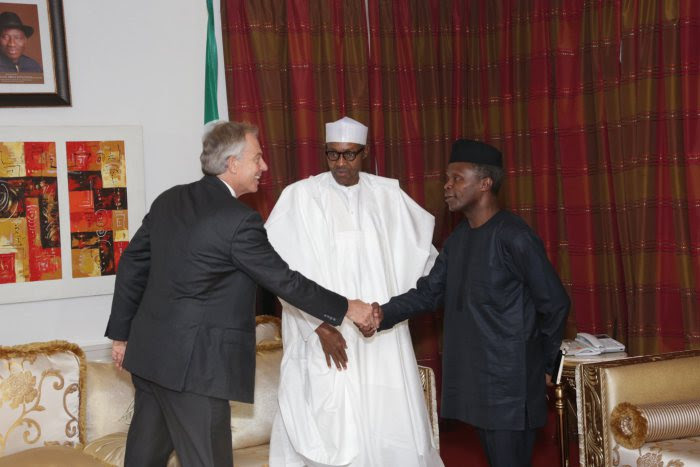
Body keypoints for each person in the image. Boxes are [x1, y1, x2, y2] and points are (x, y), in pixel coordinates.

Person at [105, 121, 377, 467]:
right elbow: (285, 281)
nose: (264, 167)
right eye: (258, 158)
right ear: (233, 164)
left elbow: (131, 264)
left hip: (151, 358)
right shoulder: (239, 221)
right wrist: (347, 307)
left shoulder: (170, 199)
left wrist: (121, 334)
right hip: (196, 369)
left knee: (143, 460)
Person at [373, 139, 571, 467]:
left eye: (457, 178)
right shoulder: (458, 240)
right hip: (477, 380)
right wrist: (380, 313)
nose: (447, 187)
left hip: (510, 385)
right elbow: (428, 293)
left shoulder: (514, 236)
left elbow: (555, 302)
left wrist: (548, 366)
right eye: (446, 180)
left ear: (485, 183)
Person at [265, 116, 444, 466]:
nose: (341, 164)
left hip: (380, 337)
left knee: (386, 420)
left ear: (364, 153)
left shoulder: (388, 196)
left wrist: (385, 313)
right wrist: (319, 327)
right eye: (333, 155)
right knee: (329, 429)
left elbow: (423, 261)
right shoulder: (299, 197)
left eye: (349, 155)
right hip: (323, 335)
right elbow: (277, 274)